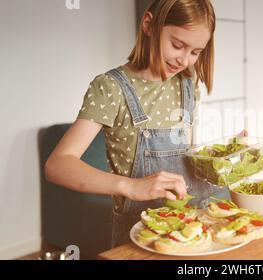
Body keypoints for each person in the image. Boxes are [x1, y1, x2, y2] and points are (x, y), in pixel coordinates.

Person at [45, 0, 225, 247]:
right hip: (138, 235)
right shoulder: (111, 88)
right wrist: (131, 187)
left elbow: (186, 156)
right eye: (177, 45)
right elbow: (57, 164)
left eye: (195, 52)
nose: (184, 60)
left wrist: (222, 158)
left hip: (191, 229)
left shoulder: (187, 84)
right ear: (149, 25)